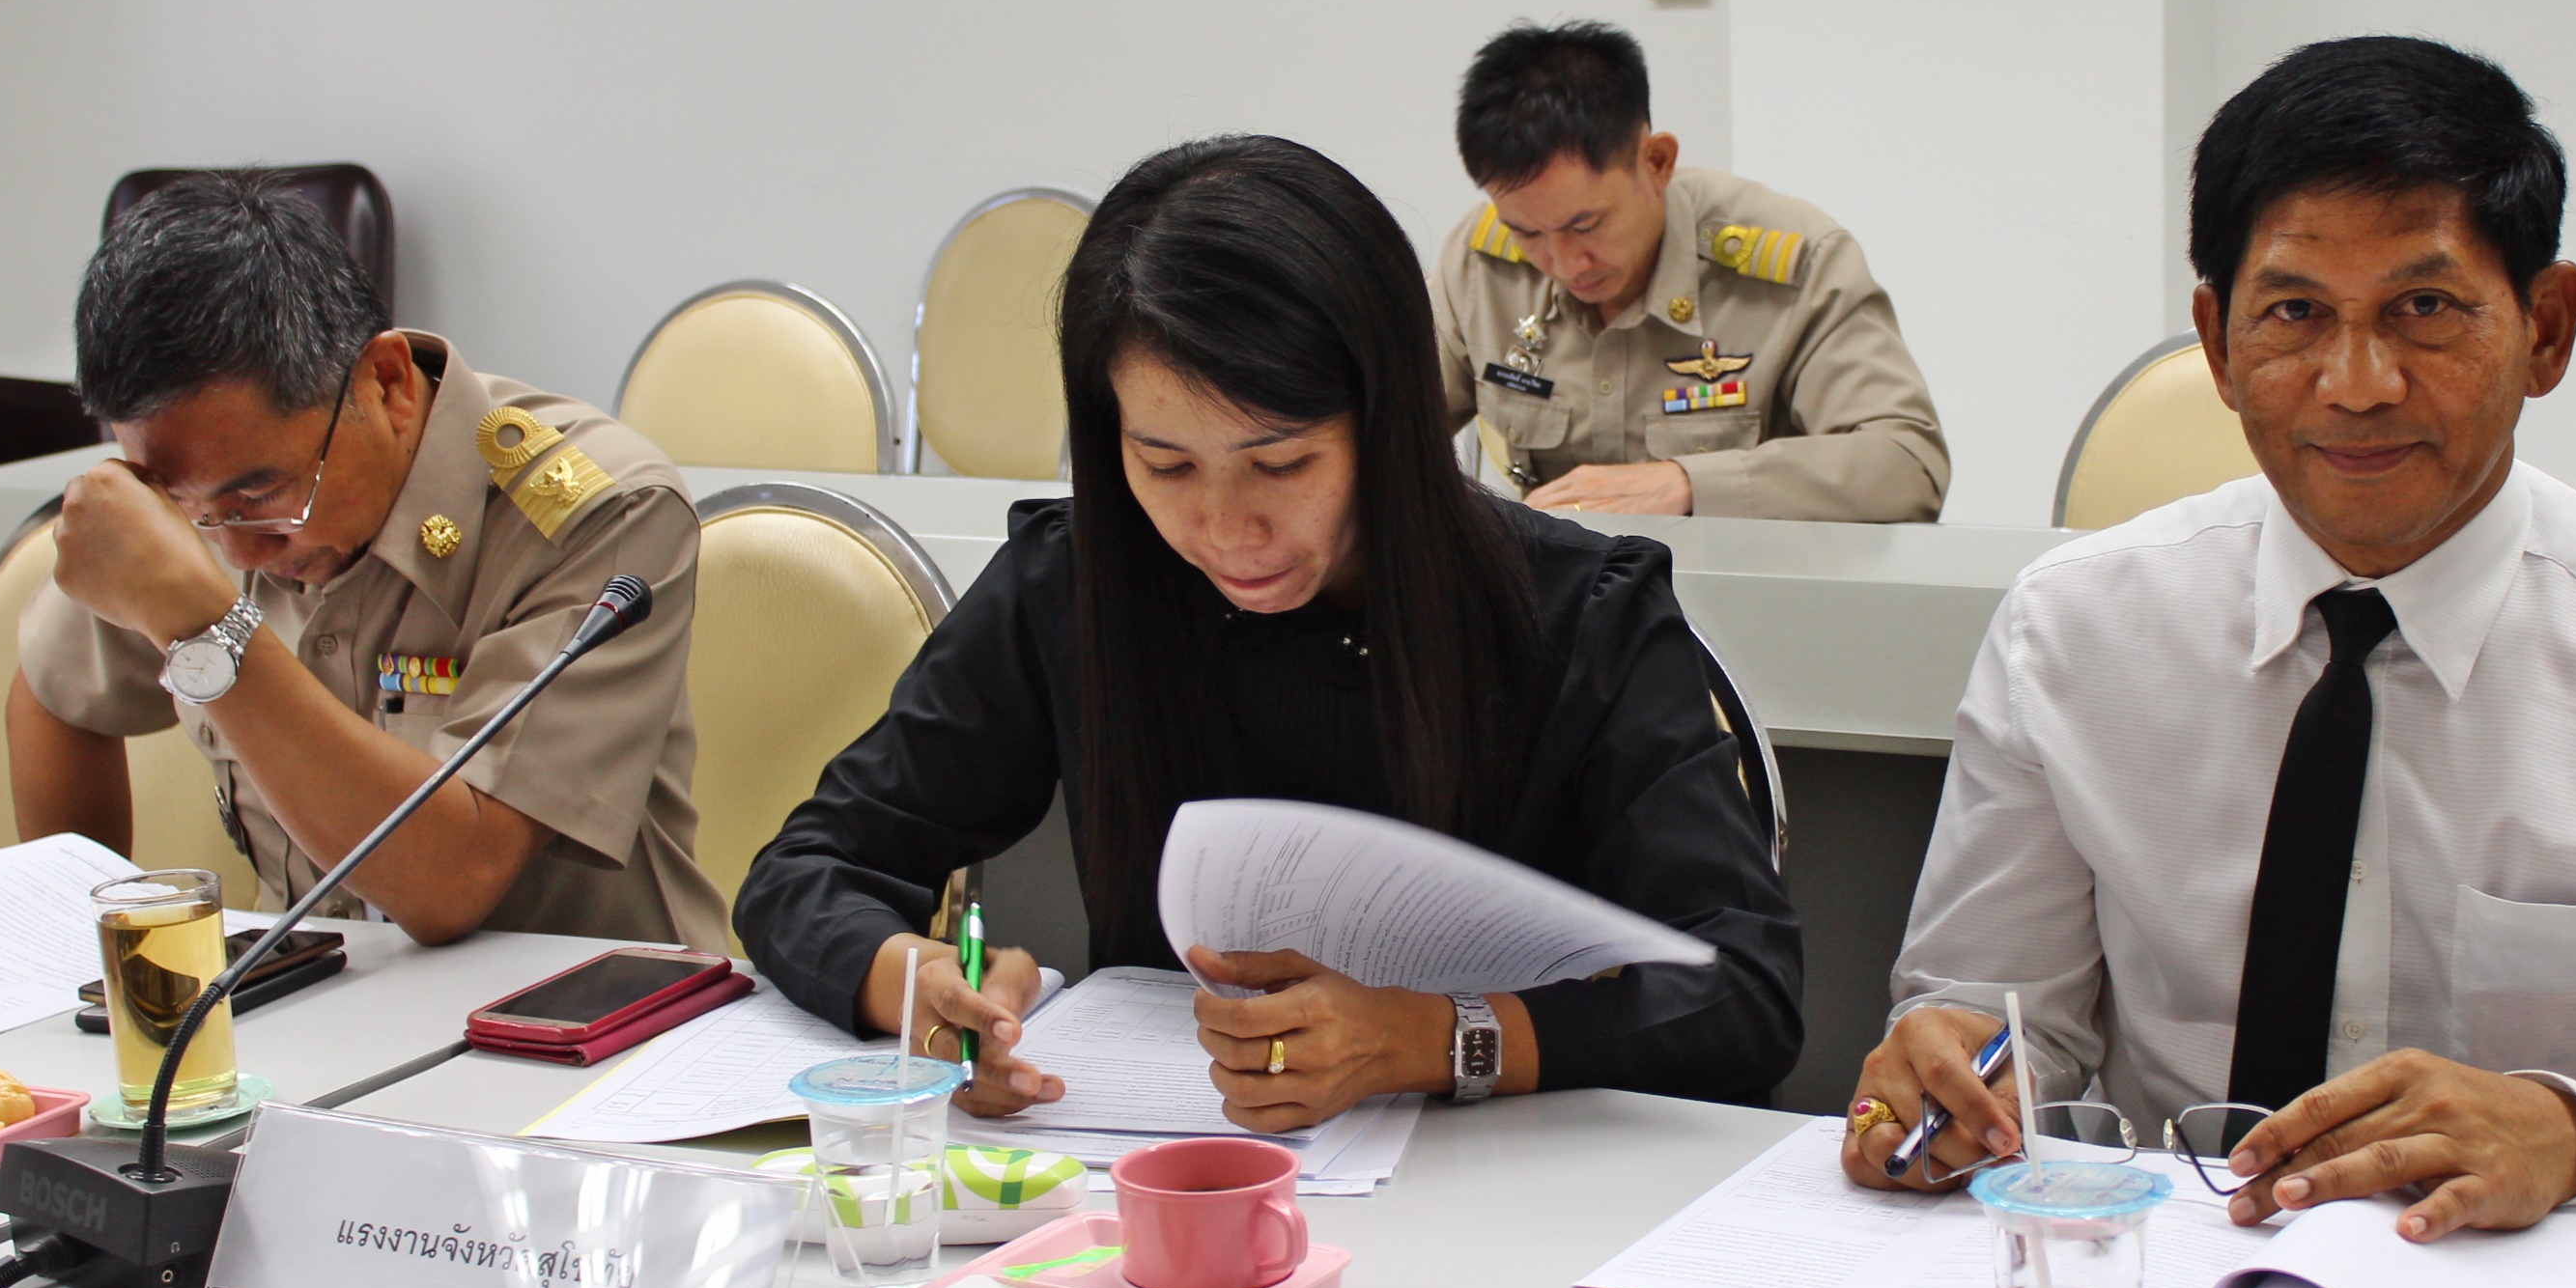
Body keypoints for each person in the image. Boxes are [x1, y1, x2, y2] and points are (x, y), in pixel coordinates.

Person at [1844, 38, 2576, 1232]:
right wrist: (1956, 1074)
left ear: (2546, 327)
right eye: (2295, 314)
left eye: (2425, 309)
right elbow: (2004, 1017)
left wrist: (2574, 1135)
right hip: (2158, 1281)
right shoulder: (2070, 634)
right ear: (2219, 344)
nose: (2359, 383)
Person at [735, 134, 1802, 1126]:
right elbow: (811, 866)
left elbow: (1744, 994)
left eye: (1282, 464)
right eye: (1165, 465)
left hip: (1519, 1179)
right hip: (1174, 1174)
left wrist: (1436, 1039)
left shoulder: (1579, 610)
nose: (1224, 528)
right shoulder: (1078, 584)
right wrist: (912, 986)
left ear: (1386, 423)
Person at [11, 173, 721, 948]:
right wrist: (96, 952)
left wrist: (210, 631)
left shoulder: (600, 513)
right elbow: (54, 691)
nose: (239, 549)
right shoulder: (212, 497)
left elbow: (457, 879)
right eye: (187, 505)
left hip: (581, 1001)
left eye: (264, 494)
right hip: (309, 988)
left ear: (387, 384)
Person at [1430, 21, 1947, 523]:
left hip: (1739, 578)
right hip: (1556, 577)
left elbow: (1906, 464)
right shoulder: (1480, 264)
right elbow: (1392, 429)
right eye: (1526, 232)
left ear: (1657, 162)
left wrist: (1690, 484)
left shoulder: (1797, 263)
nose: (1563, 264)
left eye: (1586, 225)